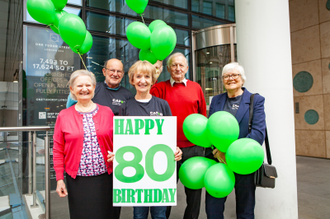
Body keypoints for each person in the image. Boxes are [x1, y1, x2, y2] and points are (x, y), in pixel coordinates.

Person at [120, 60, 183, 219]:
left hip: (160, 170)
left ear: (153, 80)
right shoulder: (125, 106)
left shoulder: (162, 105)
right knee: (139, 215)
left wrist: (175, 149)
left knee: (160, 215)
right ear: (132, 80)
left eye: (147, 76)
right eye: (138, 76)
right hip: (137, 171)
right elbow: (120, 139)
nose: (143, 80)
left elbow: (169, 136)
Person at [205, 62, 266, 219]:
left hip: (244, 162)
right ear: (222, 80)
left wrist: (232, 154)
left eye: (234, 75)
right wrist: (218, 151)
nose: (230, 78)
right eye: (226, 76)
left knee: (245, 210)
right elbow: (210, 129)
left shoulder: (255, 100)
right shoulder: (216, 101)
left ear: (242, 79)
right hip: (219, 161)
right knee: (213, 210)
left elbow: (258, 133)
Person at [150, 52, 207, 219]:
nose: (177, 68)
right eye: (174, 65)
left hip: (194, 148)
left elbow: (202, 115)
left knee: (194, 194)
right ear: (168, 68)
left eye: (181, 65)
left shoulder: (196, 87)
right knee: (165, 193)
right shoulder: (159, 88)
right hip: (167, 149)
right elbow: (148, 102)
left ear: (187, 68)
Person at [53, 70, 116, 219]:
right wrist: (59, 179)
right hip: (77, 181)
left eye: (88, 85)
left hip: (106, 178)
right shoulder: (63, 115)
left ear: (94, 87)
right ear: (72, 90)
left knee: (107, 215)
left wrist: (117, 152)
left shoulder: (107, 112)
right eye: (79, 85)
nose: (84, 89)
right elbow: (57, 149)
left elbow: (118, 141)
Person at [66, 58, 134, 116]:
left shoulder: (128, 95)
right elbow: (71, 106)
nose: (115, 74)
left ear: (122, 74)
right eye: (112, 70)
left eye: (118, 71)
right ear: (104, 72)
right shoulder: (93, 89)